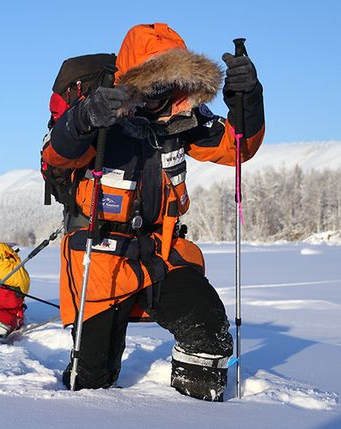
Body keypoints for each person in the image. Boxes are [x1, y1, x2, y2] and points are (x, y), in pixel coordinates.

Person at [41, 23, 264, 401]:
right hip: (99, 257)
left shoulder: (186, 119)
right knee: (92, 377)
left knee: (209, 329)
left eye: (168, 81)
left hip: (162, 252)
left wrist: (249, 99)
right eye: (152, 81)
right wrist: (82, 119)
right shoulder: (98, 115)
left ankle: (201, 415)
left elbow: (237, 148)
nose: (158, 92)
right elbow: (55, 156)